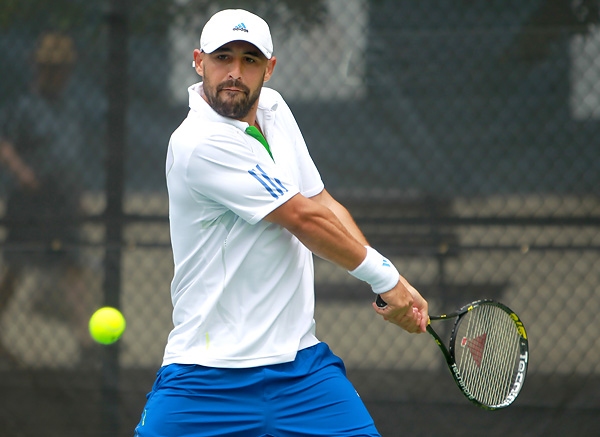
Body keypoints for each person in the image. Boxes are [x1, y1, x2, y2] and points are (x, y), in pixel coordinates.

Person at [134, 9, 428, 437]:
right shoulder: (198, 142)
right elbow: (302, 218)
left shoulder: (273, 109)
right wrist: (386, 279)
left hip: (302, 371)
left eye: (250, 60)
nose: (235, 73)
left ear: (269, 68)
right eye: (223, 57)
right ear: (199, 61)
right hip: (205, 376)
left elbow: (319, 201)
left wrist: (389, 283)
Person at [0, 32, 93, 366]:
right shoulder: (25, 106)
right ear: (39, 69)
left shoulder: (69, 108)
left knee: (73, 264)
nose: (57, 74)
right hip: (30, 200)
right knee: (16, 266)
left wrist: (78, 194)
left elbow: (73, 155)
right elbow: (4, 143)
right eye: (50, 67)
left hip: (62, 199)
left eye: (62, 68)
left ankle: (85, 343)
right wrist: (22, 172)